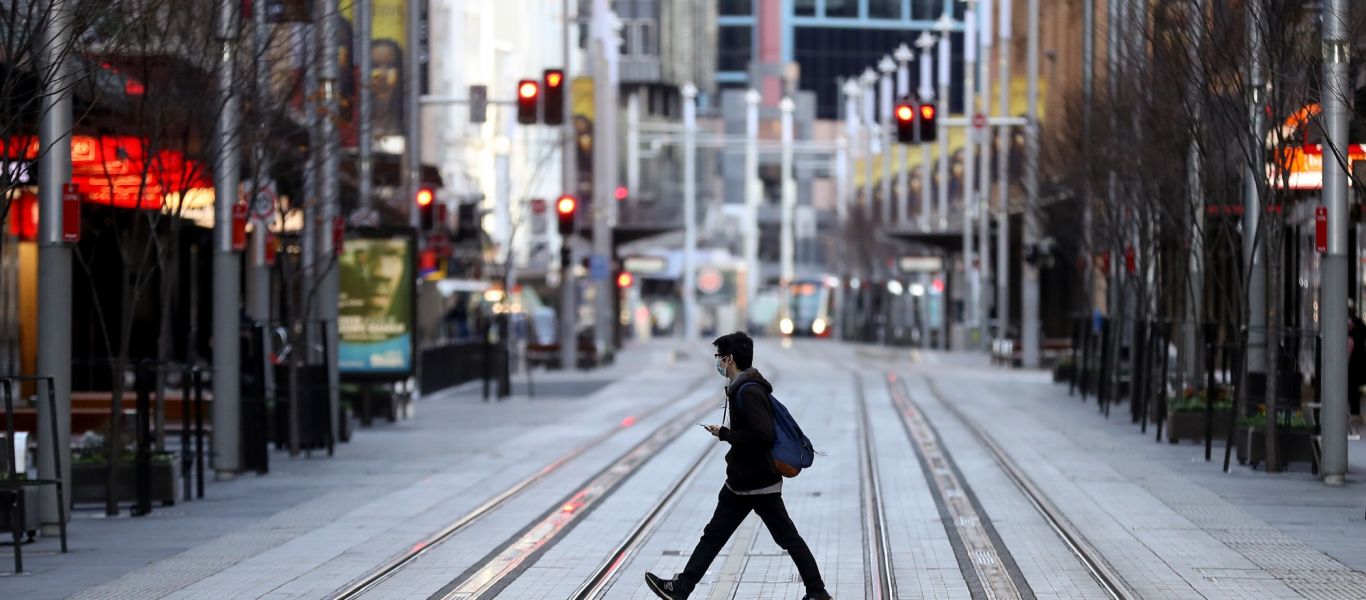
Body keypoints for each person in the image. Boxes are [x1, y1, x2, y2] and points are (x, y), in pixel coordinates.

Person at [645, 332, 830, 600]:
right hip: (745, 481)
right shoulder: (744, 386)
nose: (718, 362)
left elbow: (762, 436)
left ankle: (818, 592)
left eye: (719, 357)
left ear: (730, 358)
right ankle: (682, 588)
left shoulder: (748, 391)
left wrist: (725, 433)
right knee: (717, 536)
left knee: (785, 538)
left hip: (755, 481)